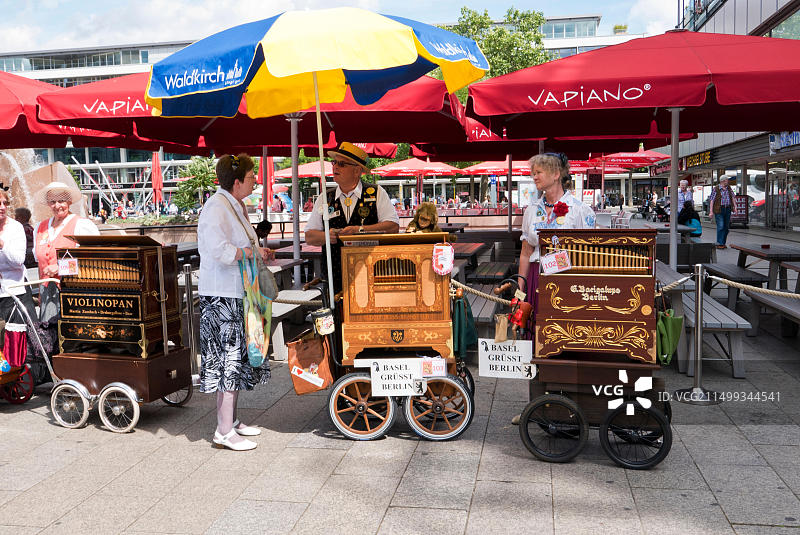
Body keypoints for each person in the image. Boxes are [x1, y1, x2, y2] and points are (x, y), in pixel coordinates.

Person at [513, 152, 595, 425]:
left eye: (539, 171)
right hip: (537, 279)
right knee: (534, 341)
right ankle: (534, 405)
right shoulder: (531, 210)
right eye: (533, 171)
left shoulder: (580, 210)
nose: (534, 176)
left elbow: (589, 254)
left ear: (557, 174)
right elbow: (526, 252)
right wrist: (520, 287)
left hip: (567, 282)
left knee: (565, 340)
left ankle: (570, 404)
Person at [197, 154, 273, 451]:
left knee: (237, 358)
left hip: (234, 291)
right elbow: (220, 250)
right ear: (237, 181)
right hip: (222, 294)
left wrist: (257, 252)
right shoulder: (217, 206)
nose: (255, 180)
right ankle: (223, 430)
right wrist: (253, 254)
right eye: (252, 176)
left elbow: (239, 246)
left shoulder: (232, 205)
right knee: (228, 360)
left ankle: (230, 419)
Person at [305, 142, 399, 294]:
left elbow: (393, 227)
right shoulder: (324, 198)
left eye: (341, 164)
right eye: (334, 162)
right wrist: (327, 236)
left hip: (371, 274)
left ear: (357, 171)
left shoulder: (376, 193)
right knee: (336, 316)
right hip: (334, 276)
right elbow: (309, 236)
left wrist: (360, 230)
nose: (335, 167)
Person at [33, 182, 99, 323]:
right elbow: (40, 263)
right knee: (49, 333)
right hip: (47, 290)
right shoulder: (40, 227)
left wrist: (61, 266)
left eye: (61, 201)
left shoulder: (82, 225)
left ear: (69, 201)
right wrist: (40, 292)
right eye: (52, 201)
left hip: (74, 290)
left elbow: (93, 259)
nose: (57, 206)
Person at [0, 191, 37, 329]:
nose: (2, 207)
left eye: (5, 203)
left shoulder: (16, 227)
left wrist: (2, 245)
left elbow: (18, 261)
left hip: (16, 290)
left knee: (21, 338)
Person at [707, 176, 735, 249]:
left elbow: (733, 197)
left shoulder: (729, 188)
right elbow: (712, 200)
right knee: (721, 226)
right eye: (726, 180)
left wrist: (735, 207)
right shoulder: (716, 189)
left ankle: (723, 243)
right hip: (719, 209)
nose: (728, 181)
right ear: (723, 181)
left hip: (728, 209)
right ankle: (719, 243)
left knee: (726, 227)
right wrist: (711, 212)